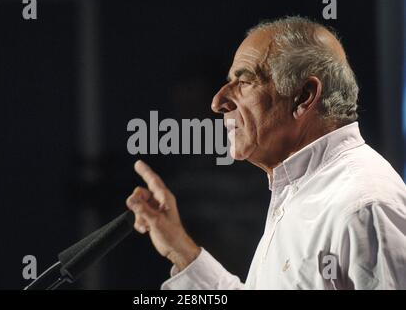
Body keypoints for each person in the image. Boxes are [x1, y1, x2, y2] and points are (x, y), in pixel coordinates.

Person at [125, 16, 406, 289]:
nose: (217, 102)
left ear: (304, 96)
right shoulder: (301, 193)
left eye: (244, 82)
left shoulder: (363, 206)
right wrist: (179, 248)